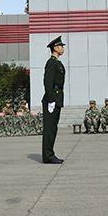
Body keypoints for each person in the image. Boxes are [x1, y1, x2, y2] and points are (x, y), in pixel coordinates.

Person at [41, 35, 66, 164]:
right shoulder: (51, 63)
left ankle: (49, 154)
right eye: (61, 46)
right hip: (52, 99)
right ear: (55, 48)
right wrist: (51, 100)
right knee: (49, 128)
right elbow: (47, 82)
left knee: (53, 128)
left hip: (57, 98)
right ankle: (48, 155)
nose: (63, 48)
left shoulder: (57, 62)